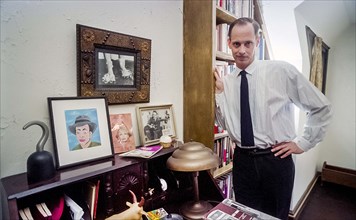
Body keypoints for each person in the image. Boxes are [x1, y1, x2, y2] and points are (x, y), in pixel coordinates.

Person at [214, 17, 332, 220]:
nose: (242, 50)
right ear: (228, 43)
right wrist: (219, 95)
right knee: (245, 215)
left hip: (276, 160)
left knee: (275, 216)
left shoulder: (281, 71)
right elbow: (227, 125)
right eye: (236, 44)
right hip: (242, 162)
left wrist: (302, 143)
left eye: (248, 43)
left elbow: (321, 107)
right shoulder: (226, 83)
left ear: (257, 42)